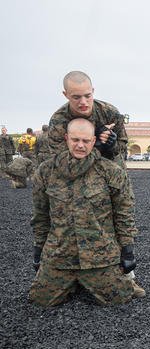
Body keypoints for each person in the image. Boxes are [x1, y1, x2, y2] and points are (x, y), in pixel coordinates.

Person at [29, 119, 139, 307]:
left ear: (94, 140)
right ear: (66, 138)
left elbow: (124, 214)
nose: (80, 145)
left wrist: (127, 251)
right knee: (39, 300)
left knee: (121, 298)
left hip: (99, 257)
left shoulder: (111, 171)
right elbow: (40, 216)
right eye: (75, 140)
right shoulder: (46, 171)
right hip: (60, 255)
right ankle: (73, 283)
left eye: (86, 141)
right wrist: (38, 250)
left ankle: (110, 279)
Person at [47, 71, 128, 167]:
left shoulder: (109, 113)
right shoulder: (58, 121)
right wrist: (95, 145)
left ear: (92, 91)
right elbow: (62, 161)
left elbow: (122, 149)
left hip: (108, 168)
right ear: (66, 94)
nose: (83, 102)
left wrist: (111, 144)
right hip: (75, 171)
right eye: (76, 97)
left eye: (87, 96)